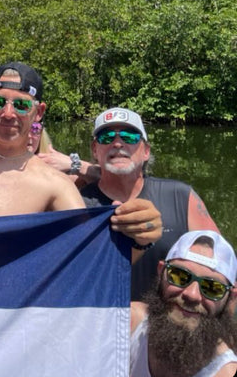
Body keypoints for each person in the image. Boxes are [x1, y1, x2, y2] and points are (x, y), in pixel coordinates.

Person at [0, 62, 162, 251]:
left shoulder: (53, 184)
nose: (8, 113)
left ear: (38, 112)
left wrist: (141, 238)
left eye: (22, 105)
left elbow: (91, 257)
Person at [80, 107, 220, 301]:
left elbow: (220, 263)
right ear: (95, 150)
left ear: (146, 151)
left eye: (129, 136)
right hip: (103, 320)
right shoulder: (76, 203)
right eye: (107, 136)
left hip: (169, 322)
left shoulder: (180, 196)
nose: (118, 143)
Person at [130, 230, 237, 377]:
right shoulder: (129, 325)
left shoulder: (224, 373)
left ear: (230, 298)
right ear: (161, 272)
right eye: (179, 276)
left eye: (212, 288)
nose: (192, 295)